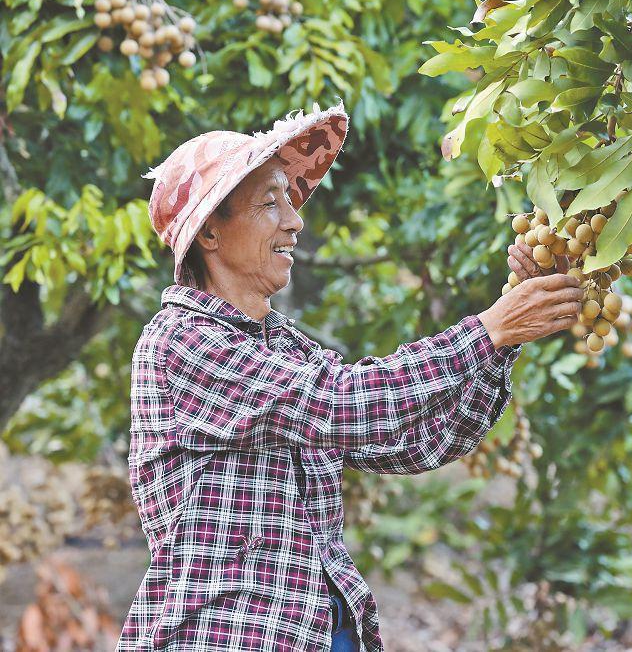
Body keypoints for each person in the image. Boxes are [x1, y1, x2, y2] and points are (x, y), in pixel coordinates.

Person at [118, 103, 582, 652]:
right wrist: (488, 332)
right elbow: (344, 404)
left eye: (289, 200)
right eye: (269, 203)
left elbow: (417, 442)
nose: (294, 220)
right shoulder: (181, 341)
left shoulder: (283, 348)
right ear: (210, 235)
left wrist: (506, 338)